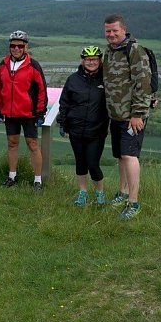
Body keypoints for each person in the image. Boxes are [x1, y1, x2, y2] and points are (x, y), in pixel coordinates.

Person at [102, 14, 153, 220]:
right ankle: (123, 192)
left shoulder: (135, 51)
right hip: (116, 115)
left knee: (130, 155)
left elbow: (143, 83)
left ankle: (133, 202)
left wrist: (138, 114)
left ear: (124, 30)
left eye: (115, 30)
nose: (111, 34)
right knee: (121, 156)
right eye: (108, 31)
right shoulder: (110, 51)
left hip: (132, 116)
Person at [0, 30, 48, 192]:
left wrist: (40, 112)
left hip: (29, 113)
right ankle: (12, 176)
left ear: (26, 47)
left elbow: (42, 90)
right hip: (10, 113)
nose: (16, 48)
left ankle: (38, 180)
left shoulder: (33, 65)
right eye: (13, 45)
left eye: (20, 46)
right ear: (9, 46)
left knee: (33, 145)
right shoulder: (3, 64)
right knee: (12, 143)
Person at [57, 46, 109, 206]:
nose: (91, 62)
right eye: (88, 59)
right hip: (76, 129)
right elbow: (64, 102)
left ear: (100, 61)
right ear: (82, 61)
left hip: (97, 131)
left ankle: (100, 193)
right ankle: (83, 193)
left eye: (94, 59)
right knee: (80, 162)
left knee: (93, 164)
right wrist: (63, 123)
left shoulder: (106, 80)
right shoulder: (73, 79)